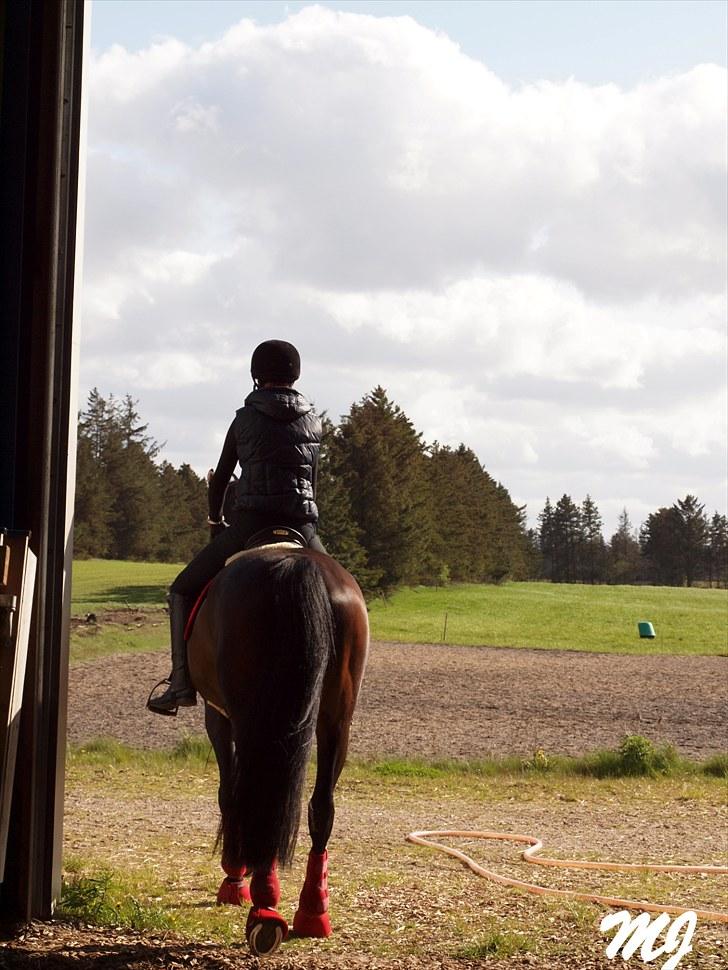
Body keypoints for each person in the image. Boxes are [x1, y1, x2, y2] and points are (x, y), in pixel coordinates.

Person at [147, 339, 325, 716]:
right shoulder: (314, 420)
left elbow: (221, 478)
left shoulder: (244, 418)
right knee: (344, 592)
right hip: (302, 526)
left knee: (181, 589)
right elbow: (313, 479)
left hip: (251, 525)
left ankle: (179, 684)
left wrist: (216, 521)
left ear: (257, 375)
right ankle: (335, 683)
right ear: (295, 374)